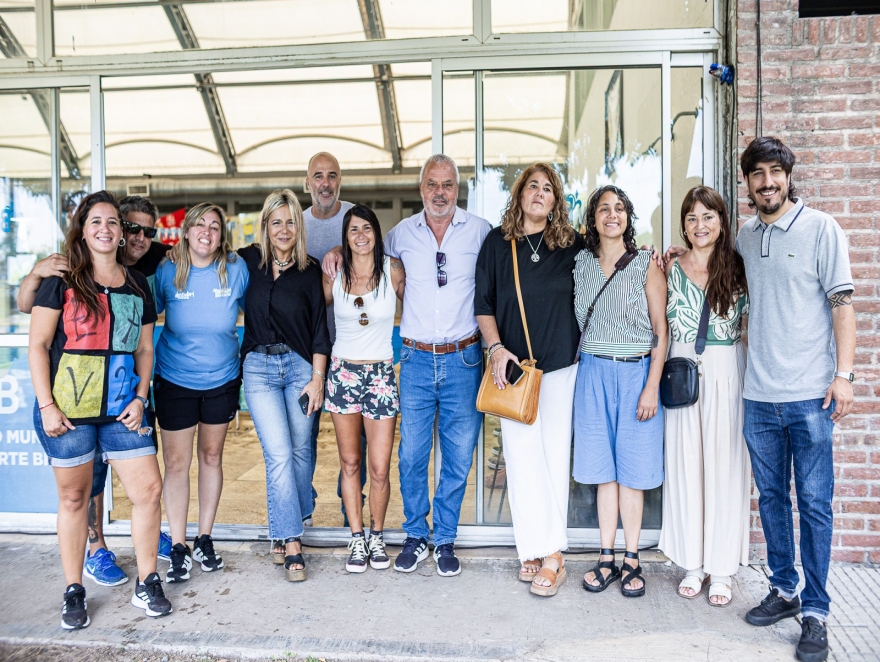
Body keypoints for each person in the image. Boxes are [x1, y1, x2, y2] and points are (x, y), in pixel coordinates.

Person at [324, 154, 491, 576]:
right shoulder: (401, 234)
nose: (440, 192)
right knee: (412, 456)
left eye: (447, 184)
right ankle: (416, 534)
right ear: (421, 189)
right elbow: (364, 246)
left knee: (458, 457)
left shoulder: (480, 232)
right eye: (432, 184)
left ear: (457, 189)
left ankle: (444, 538)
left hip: (464, 358)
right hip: (415, 359)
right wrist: (337, 250)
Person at [732, 137, 854, 662]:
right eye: (757, 174)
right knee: (772, 499)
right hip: (758, 395)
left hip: (809, 396)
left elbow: (842, 305)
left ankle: (817, 611)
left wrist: (844, 375)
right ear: (748, 182)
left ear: (788, 176)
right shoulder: (744, 235)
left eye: (774, 172)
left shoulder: (822, 229)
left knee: (814, 504)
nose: (767, 183)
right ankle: (784, 589)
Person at [28, 191, 172, 629]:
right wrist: (47, 406)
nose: (106, 229)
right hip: (67, 411)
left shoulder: (137, 284)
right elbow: (38, 345)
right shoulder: (62, 281)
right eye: (96, 222)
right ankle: (74, 589)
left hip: (122, 409)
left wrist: (141, 397)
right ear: (83, 230)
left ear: (122, 232)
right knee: (75, 498)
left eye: (113, 222)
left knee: (148, 490)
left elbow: (144, 349)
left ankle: (147, 581)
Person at [474, 163, 583, 597]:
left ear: (556, 200)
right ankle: (531, 546)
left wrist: (651, 255)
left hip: (560, 368)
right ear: (519, 194)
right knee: (520, 461)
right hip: (514, 370)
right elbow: (483, 304)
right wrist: (496, 349)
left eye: (548, 188)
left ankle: (553, 555)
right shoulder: (497, 243)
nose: (539, 193)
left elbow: (611, 266)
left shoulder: (572, 245)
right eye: (532, 186)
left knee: (553, 458)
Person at [657, 186, 751, 607]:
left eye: (708, 216)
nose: (700, 225)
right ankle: (692, 564)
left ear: (722, 221)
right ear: (684, 224)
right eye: (692, 217)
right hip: (682, 372)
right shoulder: (669, 267)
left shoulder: (739, 268)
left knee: (723, 467)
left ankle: (722, 568)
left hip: (726, 371)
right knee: (685, 465)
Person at [573, 185, 667, 598]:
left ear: (628, 216)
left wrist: (651, 387)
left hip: (636, 374)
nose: (612, 215)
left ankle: (632, 557)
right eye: (603, 209)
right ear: (593, 219)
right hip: (592, 373)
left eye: (619, 208)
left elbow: (661, 331)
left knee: (632, 472)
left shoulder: (646, 262)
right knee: (602, 473)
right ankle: (606, 556)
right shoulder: (579, 263)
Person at [153, 203, 249, 583]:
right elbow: (144, 316)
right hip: (175, 380)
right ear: (187, 231)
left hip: (222, 379)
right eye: (200, 225)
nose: (206, 232)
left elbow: (260, 307)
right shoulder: (168, 271)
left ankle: (204, 538)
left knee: (211, 457)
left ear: (221, 235)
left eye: (214, 226)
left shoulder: (236, 269)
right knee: (176, 464)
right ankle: (178, 546)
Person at [237, 189, 330, 582]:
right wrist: (173, 254)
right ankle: (291, 540)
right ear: (265, 226)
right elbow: (204, 255)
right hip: (258, 369)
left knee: (301, 451)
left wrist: (318, 379)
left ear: (299, 226)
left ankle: (295, 511)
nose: (284, 229)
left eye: (291, 221)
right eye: (276, 222)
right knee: (278, 454)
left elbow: (320, 330)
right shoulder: (246, 262)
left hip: (299, 368)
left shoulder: (310, 271)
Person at [322, 204, 405, 573]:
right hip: (343, 374)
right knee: (350, 462)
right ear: (345, 236)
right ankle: (356, 538)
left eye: (367, 228)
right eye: (353, 229)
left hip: (381, 375)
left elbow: (422, 306)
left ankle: (376, 535)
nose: (360, 235)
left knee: (380, 467)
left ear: (376, 232)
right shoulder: (334, 274)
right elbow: (309, 312)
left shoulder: (393, 270)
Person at [302, 151, 366, 524]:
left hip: (350, 348)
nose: (325, 183)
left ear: (340, 180)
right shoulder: (297, 223)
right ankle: (303, 510)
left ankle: (351, 513)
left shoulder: (355, 219)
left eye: (331, 176)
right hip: (306, 348)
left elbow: (375, 256)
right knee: (303, 435)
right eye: (318, 176)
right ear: (307, 182)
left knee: (354, 443)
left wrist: (344, 247)